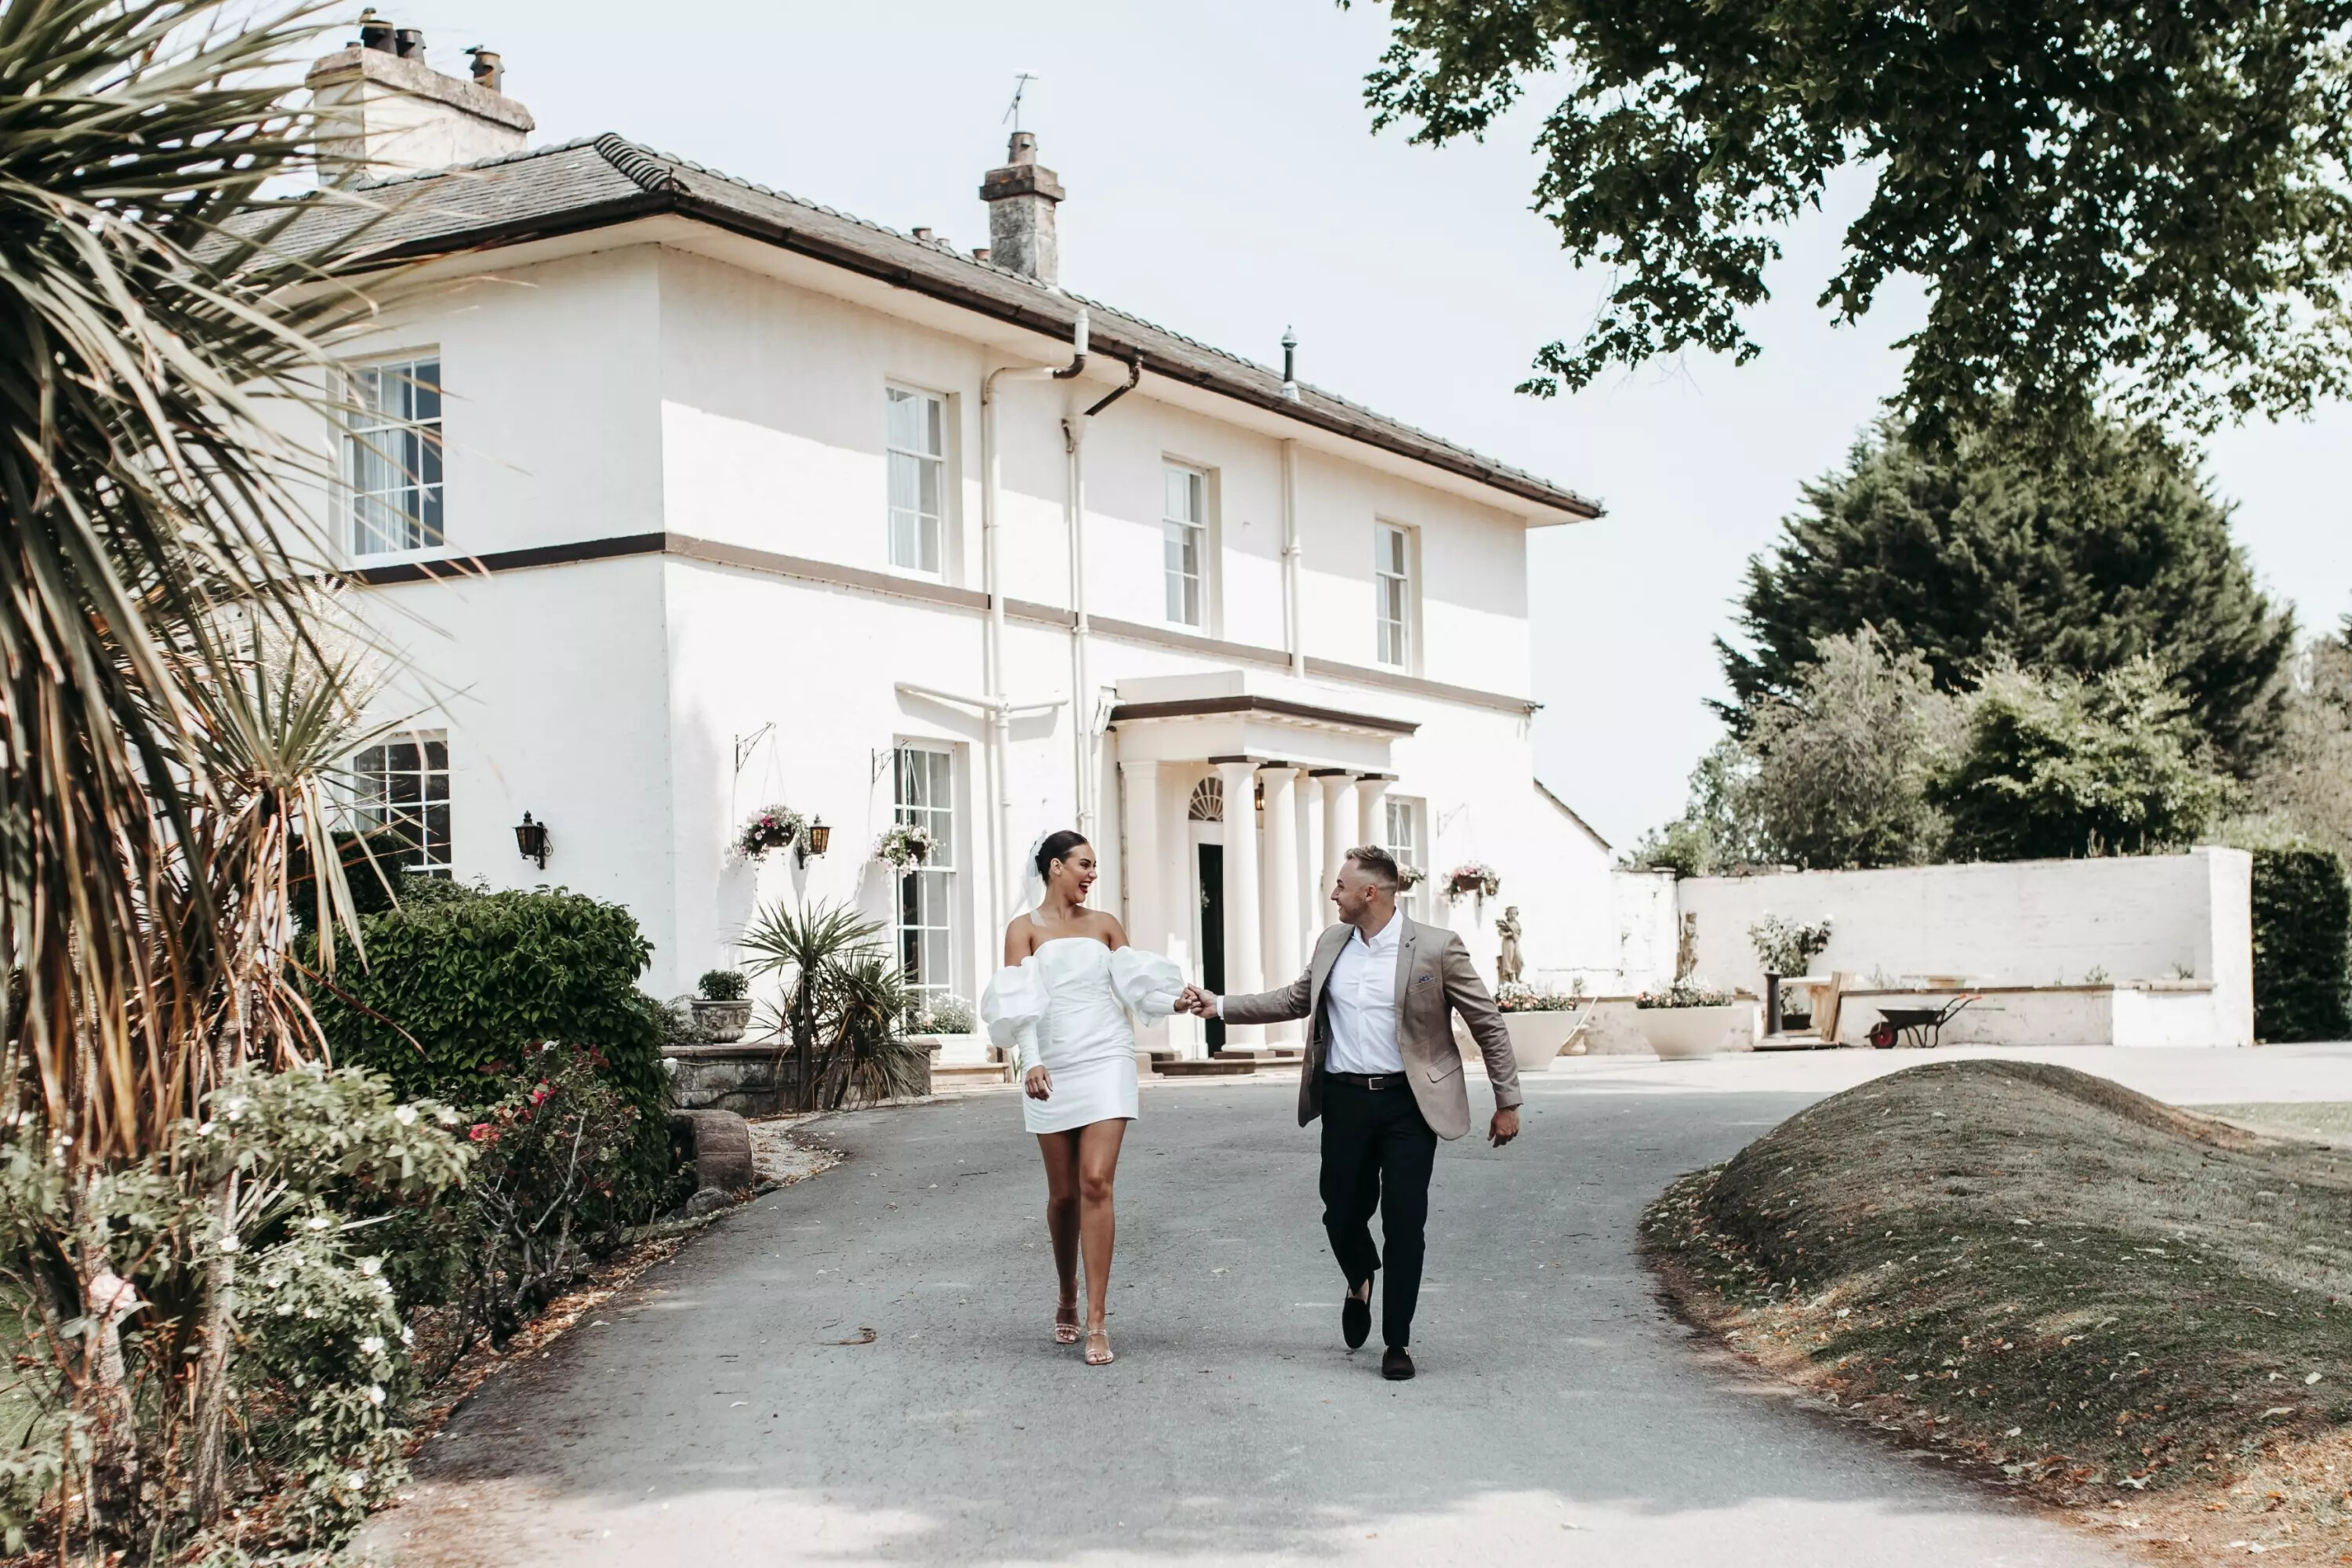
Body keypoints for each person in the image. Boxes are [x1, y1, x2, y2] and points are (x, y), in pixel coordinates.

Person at [1177, 844, 1521, 1381]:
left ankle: (1397, 1342)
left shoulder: (1435, 947)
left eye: (1340, 886)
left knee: (1405, 1221)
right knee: (1340, 1209)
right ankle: (1360, 1276)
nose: (1333, 894)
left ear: (1371, 893)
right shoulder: (1333, 941)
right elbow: (1295, 999)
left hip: (1410, 1104)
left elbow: (1487, 1023)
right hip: (1344, 1098)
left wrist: (1508, 1099)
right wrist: (1218, 1005)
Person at [982, 830, 1181, 1367]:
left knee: (1096, 1181)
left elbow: (1134, 983)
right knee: (1064, 1194)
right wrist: (1031, 1060)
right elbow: (1019, 997)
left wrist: (1174, 998)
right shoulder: (1022, 930)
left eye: (1094, 866)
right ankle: (1066, 1291)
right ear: (1055, 868)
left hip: (1107, 1057)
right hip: (1052, 1061)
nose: (1092, 874)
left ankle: (1097, 1318)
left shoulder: (1106, 925)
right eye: (1084, 865)